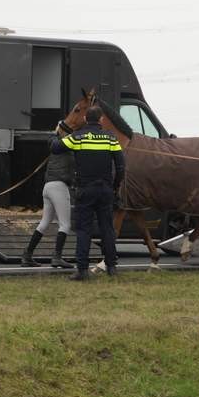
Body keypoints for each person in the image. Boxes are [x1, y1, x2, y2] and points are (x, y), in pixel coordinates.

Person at [51, 105, 125, 281]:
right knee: (107, 228)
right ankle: (112, 267)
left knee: (84, 230)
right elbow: (121, 167)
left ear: (85, 119)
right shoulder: (111, 139)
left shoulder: (78, 137)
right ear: (101, 120)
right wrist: (114, 186)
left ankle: (82, 270)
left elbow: (55, 148)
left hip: (85, 189)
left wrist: (55, 134)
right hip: (105, 190)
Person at [21, 122, 75, 269]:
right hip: (59, 187)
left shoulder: (53, 144)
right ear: (67, 134)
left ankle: (27, 255)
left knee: (44, 222)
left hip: (48, 187)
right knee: (65, 224)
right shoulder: (69, 147)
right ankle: (57, 257)